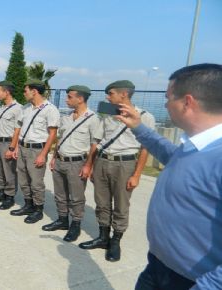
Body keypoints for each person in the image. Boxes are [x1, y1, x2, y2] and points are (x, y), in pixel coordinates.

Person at [113, 64, 222, 290]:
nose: (165, 104)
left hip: (192, 282)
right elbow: (171, 156)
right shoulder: (194, 146)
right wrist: (138, 127)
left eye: (168, 97)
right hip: (158, 268)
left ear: (187, 102)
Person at [78, 80, 155, 262]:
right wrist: (90, 164)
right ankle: (103, 237)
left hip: (125, 165)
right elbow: (96, 141)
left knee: (121, 204)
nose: (107, 96)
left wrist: (136, 175)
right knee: (102, 202)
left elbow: (145, 148)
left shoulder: (144, 116)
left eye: (110, 93)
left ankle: (115, 241)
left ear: (124, 94)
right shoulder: (107, 113)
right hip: (103, 162)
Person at [42, 85, 100, 242]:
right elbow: (60, 139)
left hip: (77, 163)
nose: (66, 99)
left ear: (80, 99)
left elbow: (95, 144)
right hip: (60, 160)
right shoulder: (67, 117)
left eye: (69, 97)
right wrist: (53, 157)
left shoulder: (93, 119)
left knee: (76, 197)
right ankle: (62, 220)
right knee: (60, 194)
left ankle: (75, 224)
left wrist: (89, 165)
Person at [9, 79, 60, 224]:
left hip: (37, 150)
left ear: (34, 91)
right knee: (24, 180)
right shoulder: (26, 108)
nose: (24, 93)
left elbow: (52, 134)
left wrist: (43, 154)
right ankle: (28, 205)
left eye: (25, 91)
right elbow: (20, 129)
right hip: (23, 148)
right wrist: (17, 147)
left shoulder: (50, 109)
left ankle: (38, 210)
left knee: (36, 182)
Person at [0, 81, 23, 210]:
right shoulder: (1, 108)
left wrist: (12, 148)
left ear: (7, 92)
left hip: (8, 143)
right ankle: (2, 192)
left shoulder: (18, 108)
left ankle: (10, 197)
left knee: (9, 172)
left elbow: (18, 130)